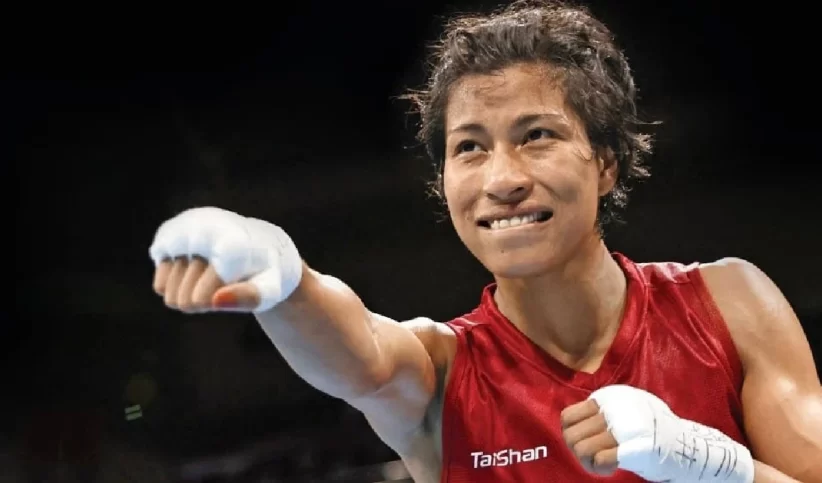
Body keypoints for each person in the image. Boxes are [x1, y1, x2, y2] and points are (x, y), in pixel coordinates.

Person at [148, 1, 822, 481]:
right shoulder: (441, 373)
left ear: (606, 162)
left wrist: (705, 462)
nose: (502, 180)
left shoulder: (727, 302)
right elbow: (364, 355)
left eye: (537, 135)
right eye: (469, 147)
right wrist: (281, 271)